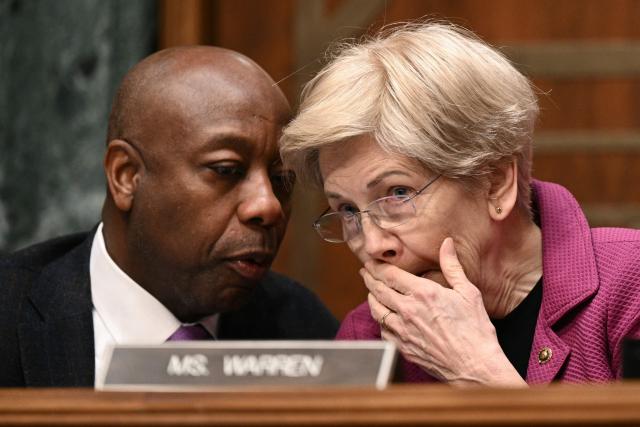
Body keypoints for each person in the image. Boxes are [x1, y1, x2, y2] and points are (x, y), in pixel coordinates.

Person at [279, 22, 640, 386]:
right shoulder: (370, 335)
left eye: (398, 194)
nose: (372, 246)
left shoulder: (631, 283)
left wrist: (479, 373)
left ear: (495, 184)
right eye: (349, 211)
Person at [0, 46, 338, 387]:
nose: (268, 206)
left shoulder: (303, 328)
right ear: (126, 175)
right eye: (226, 169)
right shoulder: (8, 314)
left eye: (281, 180)